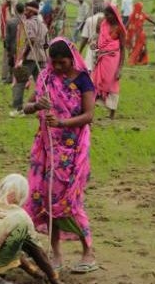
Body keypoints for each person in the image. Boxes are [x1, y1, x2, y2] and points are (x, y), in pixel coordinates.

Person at [23, 38, 98, 274]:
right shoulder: (46, 78)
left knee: (71, 201)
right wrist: (37, 106)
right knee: (47, 199)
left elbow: (88, 116)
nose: (57, 67)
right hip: (47, 149)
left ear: (72, 58)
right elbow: (26, 107)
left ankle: (88, 252)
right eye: (53, 63)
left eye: (62, 62)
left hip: (73, 150)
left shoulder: (83, 79)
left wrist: (62, 122)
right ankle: (55, 254)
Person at [10, 1, 48, 117]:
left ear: (31, 12)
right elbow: (47, 44)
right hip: (42, 57)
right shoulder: (43, 25)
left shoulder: (28, 23)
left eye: (26, 10)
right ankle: (46, 107)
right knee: (42, 83)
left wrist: (23, 58)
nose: (25, 12)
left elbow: (30, 40)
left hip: (30, 57)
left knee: (20, 83)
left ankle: (18, 109)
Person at [91, 4, 126, 119]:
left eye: (108, 15)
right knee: (94, 83)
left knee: (111, 84)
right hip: (101, 59)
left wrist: (120, 68)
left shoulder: (119, 28)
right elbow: (99, 41)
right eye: (105, 15)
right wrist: (94, 45)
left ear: (114, 15)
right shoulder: (103, 24)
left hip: (113, 60)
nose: (107, 17)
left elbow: (122, 48)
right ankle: (89, 111)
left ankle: (112, 113)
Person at [78, 0, 107, 71]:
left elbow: (84, 38)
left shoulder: (89, 20)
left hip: (91, 49)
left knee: (90, 70)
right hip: (105, 51)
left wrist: (79, 52)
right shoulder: (108, 20)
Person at [125, 1, 155, 65]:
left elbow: (128, 23)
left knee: (140, 47)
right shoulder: (139, 14)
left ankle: (140, 60)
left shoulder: (135, 14)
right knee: (138, 47)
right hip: (136, 34)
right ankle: (133, 61)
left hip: (136, 34)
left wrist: (124, 29)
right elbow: (149, 19)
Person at [2, 2, 24, 84]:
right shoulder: (26, 21)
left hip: (13, 46)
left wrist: (7, 47)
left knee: (11, 62)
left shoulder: (10, 21)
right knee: (22, 62)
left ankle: (11, 78)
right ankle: (21, 79)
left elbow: (7, 37)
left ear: (15, 10)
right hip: (23, 46)